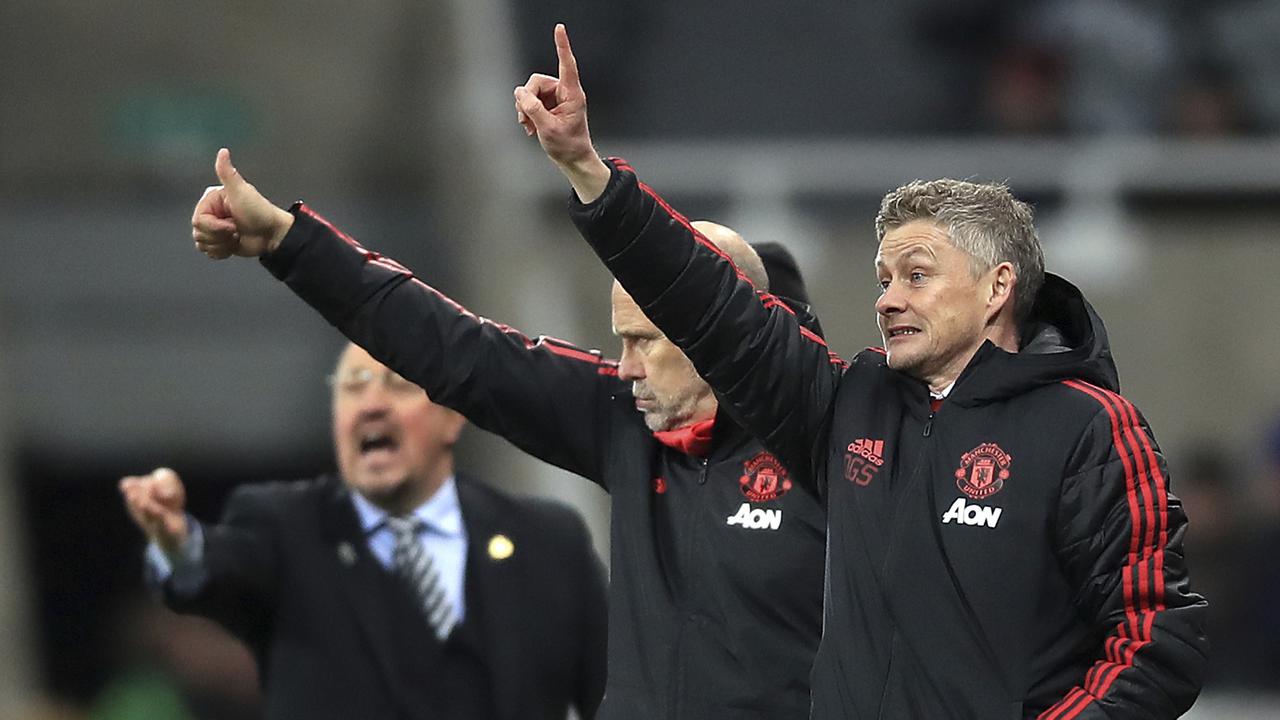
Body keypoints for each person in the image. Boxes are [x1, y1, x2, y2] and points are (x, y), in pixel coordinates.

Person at [515, 24, 1209, 719]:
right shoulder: (851, 406)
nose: (887, 299)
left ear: (997, 287)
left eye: (915, 275)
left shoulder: (1087, 427)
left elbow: (1156, 640)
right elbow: (714, 307)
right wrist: (587, 170)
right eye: (883, 278)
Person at [184, 148, 827, 718]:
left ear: (712, 332)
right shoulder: (624, 420)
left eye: (643, 343)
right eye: (619, 340)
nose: (624, 366)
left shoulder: (832, 436)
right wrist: (287, 242)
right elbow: (455, 349)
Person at [120, 343, 607, 720]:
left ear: (454, 415)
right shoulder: (285, 529)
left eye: (397, 384)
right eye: (353, 386)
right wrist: (179, 543)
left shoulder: (549, 541)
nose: (372, 405)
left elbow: (617, 695)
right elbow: (216, 569)